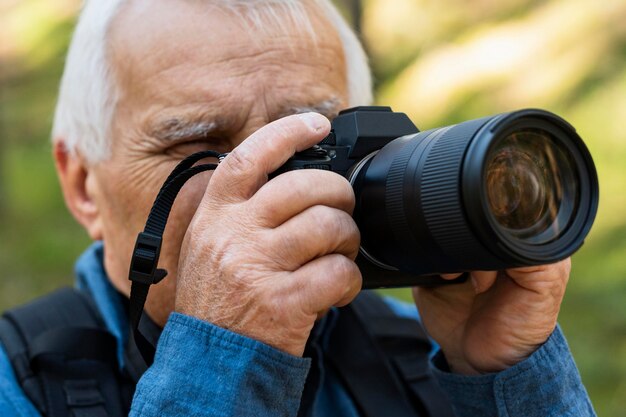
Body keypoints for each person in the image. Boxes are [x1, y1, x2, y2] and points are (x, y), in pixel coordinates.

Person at [0, 1, 596, 416]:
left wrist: (511, 380)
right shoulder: (18, 386)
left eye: (312, 146)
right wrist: (224, 357)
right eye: (201, 149)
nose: (269, 188)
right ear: (82, 186)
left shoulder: (431, 354)